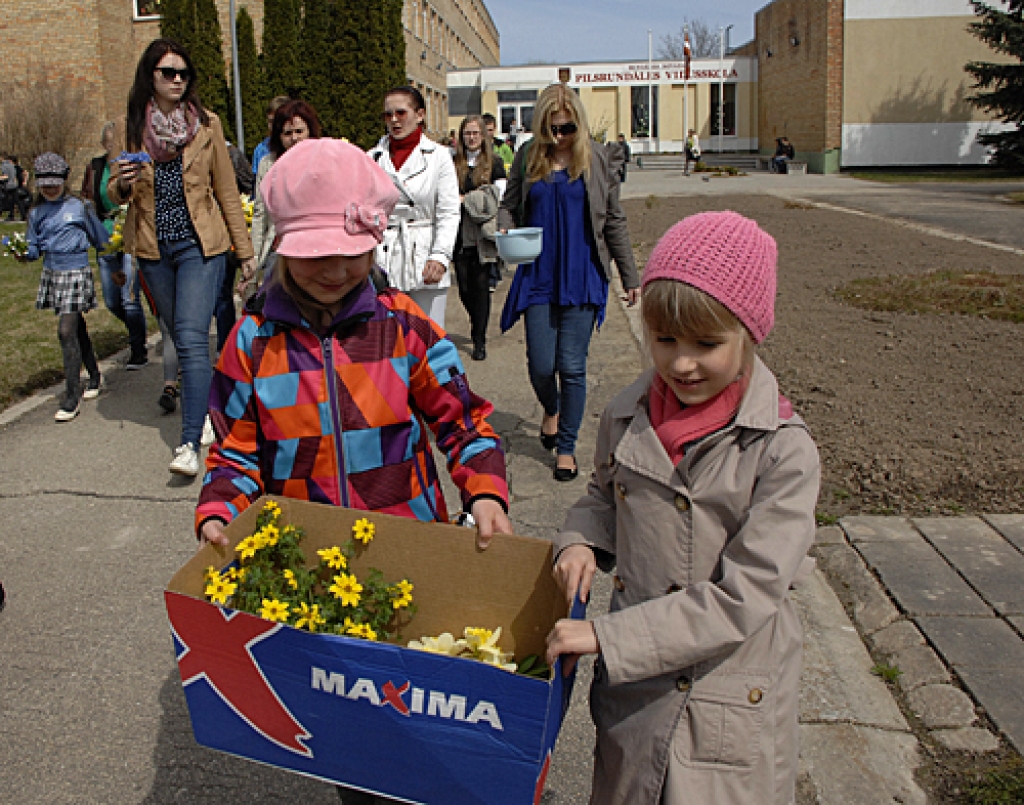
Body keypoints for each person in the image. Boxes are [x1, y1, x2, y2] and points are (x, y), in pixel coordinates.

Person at [544, 211, 820, 805]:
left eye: (706, 344)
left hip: (724, 697)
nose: (682, 363)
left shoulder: (780, 451)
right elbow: (603, 497)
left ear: (750, 334)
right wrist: (578, 540)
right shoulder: (628, 413)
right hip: (638, 694)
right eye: (664, 340)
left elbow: (743, 596)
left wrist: (608, 636)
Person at [196, 137, 511, 561]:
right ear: (284, 249)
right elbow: (235, 452)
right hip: (302, 555)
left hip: (408, 543)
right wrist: (218, 510)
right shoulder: (252, 342)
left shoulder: (403, 325)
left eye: (353, 252)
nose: (336, 269)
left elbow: (463, 422)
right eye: (316, 254)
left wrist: (485, 491)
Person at [109, 38, 255, 477]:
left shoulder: (206, 124)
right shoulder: (128, 126)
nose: (177, 80)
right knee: (177, 333)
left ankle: (189, 442)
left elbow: (227, 191)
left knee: (192, 338)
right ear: (149, 76)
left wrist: (244, 252)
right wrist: (123, 181)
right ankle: (208, 408)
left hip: (201, 246)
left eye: (183, 74)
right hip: (154, 248)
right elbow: (113, 194)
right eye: (167, 73)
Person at [498, 83, 640, 482]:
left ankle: (566, 446)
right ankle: (551, 407)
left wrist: (630, 276)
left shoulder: (597, 158)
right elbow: (509, 205)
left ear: (579, 124)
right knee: (542, 365)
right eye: (552, 129)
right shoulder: (528, 156)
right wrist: (506, 231)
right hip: (538, 273)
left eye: (567, 128)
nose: (560, 137)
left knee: (572, 366)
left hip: (581, 273)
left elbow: (614, 220)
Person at [21, 153, 109, 422]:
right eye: (44, 184)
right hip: (53, 272)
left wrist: (114, 264)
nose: (50, 189)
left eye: (54, 183)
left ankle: (73, 395)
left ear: (64, 181)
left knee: (66, 330)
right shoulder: (36, 213)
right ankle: (94, 374)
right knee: (76, 326)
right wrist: (24, 253)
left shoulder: (80, 207)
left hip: (76, 271)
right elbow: (33, 247)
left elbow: (101, 239)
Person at [368, 86, 459, 329]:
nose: (394, 120)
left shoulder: (438, 156)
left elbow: (449, 212)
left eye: (401, 112)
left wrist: (440, 255)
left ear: (420, 115)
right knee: (387, 340)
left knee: (427, 337)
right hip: (385, 255)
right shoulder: (373, 158)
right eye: (388, 115)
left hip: (424, 256)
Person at [81, 122, 149, 370]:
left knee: (129, 296)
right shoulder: (96, 167)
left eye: (116, 141)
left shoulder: (132, 162)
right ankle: (136, 328)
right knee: (112, 300)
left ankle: (138, 349)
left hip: (130, 234)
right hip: (106, 237)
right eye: (109, 142)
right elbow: (88, 198)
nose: (113, 145)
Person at [243, 98, 322, 302]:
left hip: (318, 245)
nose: (294, 138)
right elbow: (261, 214)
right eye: (287, 133)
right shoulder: (267, 164)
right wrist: (252, 259)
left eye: (299, 131)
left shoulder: (324, 160)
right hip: (279, 247)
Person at [453, 115, 506, 362]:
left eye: (475, 133)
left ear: (483, 136)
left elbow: (497, 200)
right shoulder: (453, 163)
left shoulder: (493, 163)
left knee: (481, 288)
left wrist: (468, 199)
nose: (471, 138)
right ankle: (476, 323)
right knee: (464, 289)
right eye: (467, 133)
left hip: (482, 236)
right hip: (458, 234)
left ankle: (479, 339)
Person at [251, 95, 290, 178]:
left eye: (276, 121)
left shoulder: (296, 144)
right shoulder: (261, 149)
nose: (273, 126)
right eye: (270, 121)